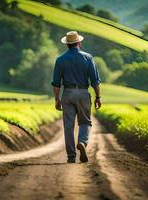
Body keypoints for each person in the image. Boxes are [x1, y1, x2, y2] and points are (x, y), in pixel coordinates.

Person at [51, 31, 101, 163]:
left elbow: (56, 83)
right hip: (83, 93)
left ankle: (71, 156)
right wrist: (98, 97)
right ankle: (82, 143)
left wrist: (57, 99)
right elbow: (95, 80)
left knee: (68, 126)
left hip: (67, 93)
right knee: (85, 122)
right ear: (79, 43)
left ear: (67, 45)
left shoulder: (60, 60)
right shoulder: (88, 58)